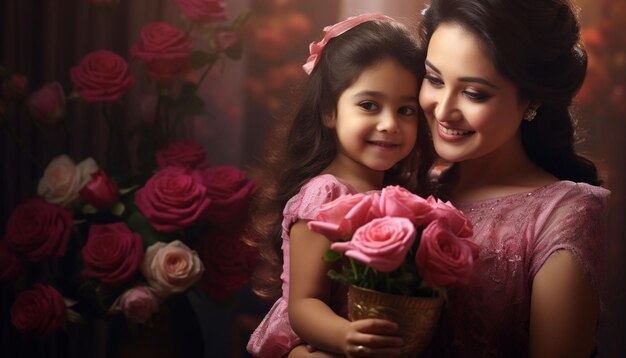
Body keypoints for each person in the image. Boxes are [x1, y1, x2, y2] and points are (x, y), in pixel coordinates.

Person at [415, 0, 611, 356]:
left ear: (531, 99)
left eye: (474, 93)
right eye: (434, 79)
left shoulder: (562, 214)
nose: (443, 110)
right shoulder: (410, 185)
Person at [245, 13, 434, 358]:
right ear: (329, 111)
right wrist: (346, 336)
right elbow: (304, 304)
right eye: (369, 105)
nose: (390, 123)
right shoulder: (326, 195)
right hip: (318, 344)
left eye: (406, 110)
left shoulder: (403, 192)